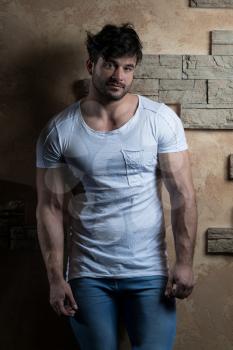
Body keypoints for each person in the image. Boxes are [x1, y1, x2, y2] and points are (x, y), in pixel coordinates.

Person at [36, 23, 197, 350]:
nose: (118, 75)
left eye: (127, 68)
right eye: (110, 64)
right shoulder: (59, 130)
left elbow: (183, 195)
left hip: (150, 271)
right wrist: (55, 279)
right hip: (88, 273)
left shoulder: (160, 120)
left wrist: (184, 261)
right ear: (90, 65)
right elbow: (50, 207)